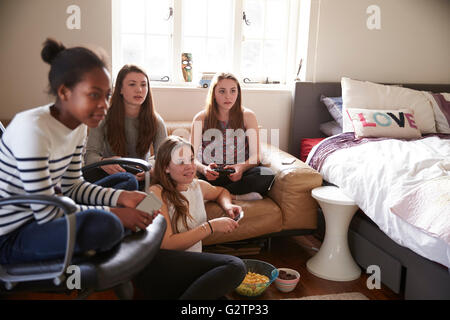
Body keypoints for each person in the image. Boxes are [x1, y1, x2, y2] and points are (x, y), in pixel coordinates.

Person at [0, 39, 154, 264]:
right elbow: (47, 214)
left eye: (107, 95)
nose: (104, 104)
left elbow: (73, 187)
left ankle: (117, 229)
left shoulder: (79, 127)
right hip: (16, 233)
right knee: (108, 225)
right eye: (94, 95)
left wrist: (122, 197)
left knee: (127, 183)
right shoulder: (32, 130)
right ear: (64, 92)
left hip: (52, 211)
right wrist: (114, 213)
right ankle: (115, 231)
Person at [135, 136, 246, 299]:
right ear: (166, 167)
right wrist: (211, 226)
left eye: (191, 159)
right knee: (235, 266)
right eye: (181, 162)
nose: (189, 166)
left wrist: (228, 206)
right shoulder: (154, 193)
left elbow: (221, 192)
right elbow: (167, 244)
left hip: (187, 266)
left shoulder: (197, 186)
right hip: (159, 268)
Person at [190, 72, 275, 201]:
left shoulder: (248, 116)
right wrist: (204, 169)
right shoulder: (201, 118)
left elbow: (256, 156)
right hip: (210, 175)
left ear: (238, 93)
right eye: (222, 91)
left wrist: (241, 167)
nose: (228, 96)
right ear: (213, 94)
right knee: (183, 178)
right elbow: (191, 157)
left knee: (267, 174)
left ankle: (214, 195)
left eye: (233, 91)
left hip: (238, 174)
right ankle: (233, 196)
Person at [84, 64, 167, 184]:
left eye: (143, 85)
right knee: (128, 182)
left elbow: (164, 159)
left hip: (141, 177)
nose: (139, 89)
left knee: (165, 184)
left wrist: (151, 170)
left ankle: (140, 201)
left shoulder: (156, 121)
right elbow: (90, 156)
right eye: (132, 84)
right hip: (110, 175)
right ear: (120, 89)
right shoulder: (102, 117)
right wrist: (104, 162)